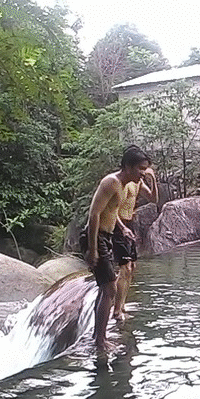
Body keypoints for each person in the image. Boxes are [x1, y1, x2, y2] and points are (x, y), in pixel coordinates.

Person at [80, 145, 152, 351]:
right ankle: (100, 341)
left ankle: (98, 336)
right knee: (110, 288)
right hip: (96, 236)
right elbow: (94, 214)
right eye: (140, 168)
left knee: (106, 289)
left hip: (107, 237)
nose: (143, 173)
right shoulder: (111, 182)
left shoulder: (124, 185)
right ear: (128, 166)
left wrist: (120, 230)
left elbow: (112, 214)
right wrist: (93, 249)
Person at [111, 159, 158, 320]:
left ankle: (122, 305)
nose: (143, 172)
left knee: (132, 267)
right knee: (125, 267)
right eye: (141, 168)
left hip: (129, 223)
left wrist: (153, 180)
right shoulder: (122, 184)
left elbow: (153, 199)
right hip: (118, 225)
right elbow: (112, 209)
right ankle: (117, 310)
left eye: (145, 169)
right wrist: (122, 228)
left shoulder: (138, 183)